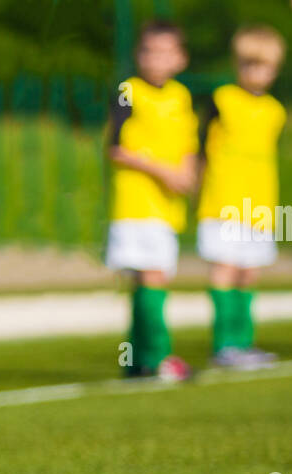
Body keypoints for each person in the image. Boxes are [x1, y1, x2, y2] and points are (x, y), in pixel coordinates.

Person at [106, 21, 198, 381]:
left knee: (148, 280)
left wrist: (188, 172)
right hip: (136, 203)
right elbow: (118, 147)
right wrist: (164, 173)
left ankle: (136, 361)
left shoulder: (181, 96)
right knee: (151, 277)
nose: (156, 59)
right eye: (148, 51)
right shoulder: (128, 91)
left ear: (180, 58)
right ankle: (160, 357)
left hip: (167, 206)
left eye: (165, 52)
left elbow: (188, 142)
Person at [197, 25, 287, 368]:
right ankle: (224, 345)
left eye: (263, 66)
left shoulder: (275, 111)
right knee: (225, 268)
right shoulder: (221, 100)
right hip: (223, 203)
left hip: (259, 206)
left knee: (250, 272)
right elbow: (201, 148)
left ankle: (245, 343)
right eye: (248, 64)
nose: (255, 72)